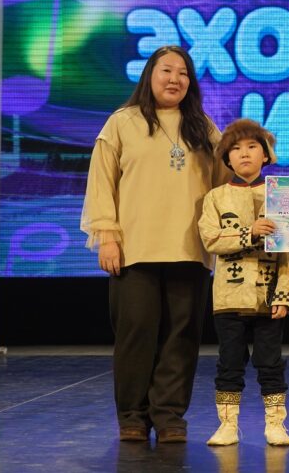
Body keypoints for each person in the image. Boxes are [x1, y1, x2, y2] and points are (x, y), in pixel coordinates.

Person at [81, 45, 228, 443]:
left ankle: (169, 417)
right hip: (135, 249)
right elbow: (101, 183)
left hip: (190, 250)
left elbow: (225, 180)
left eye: (183, 73)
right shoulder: (122, 122)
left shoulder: (202, 127)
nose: (175, 79)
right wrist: (107, 236)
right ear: (150, 75)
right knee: (136, 334)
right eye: (167, 70)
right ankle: (132, 415)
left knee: (182, 337)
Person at [198, 119, 289, 447]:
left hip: (269, 297)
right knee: (229, 362)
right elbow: (211, 239)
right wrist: (249, 232)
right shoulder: (215, 197)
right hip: (229, 296)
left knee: (271, 362)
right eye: (236, 149)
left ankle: (276, 424)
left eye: (252, 147)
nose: (244, 154)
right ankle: (227, 425)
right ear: (226, 158)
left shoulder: (285, 195)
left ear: (266, 155)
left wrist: (285, 293)